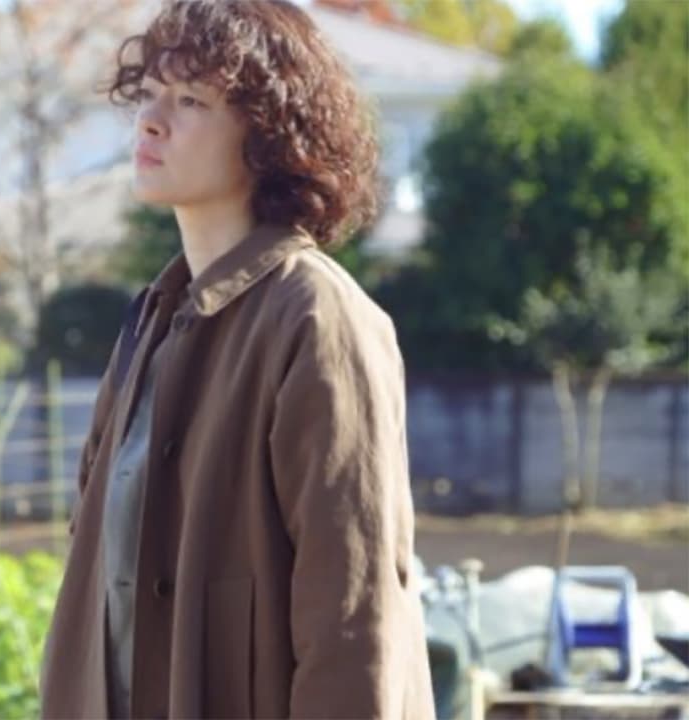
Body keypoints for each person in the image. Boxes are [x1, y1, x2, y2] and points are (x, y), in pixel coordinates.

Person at [39, 1, 435, 718]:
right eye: (149, 94)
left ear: (268, 133)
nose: (151, 121)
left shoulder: (317, 318)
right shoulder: (150, 323)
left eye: (190, 100)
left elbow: (354, 611)